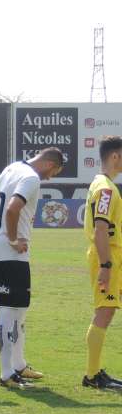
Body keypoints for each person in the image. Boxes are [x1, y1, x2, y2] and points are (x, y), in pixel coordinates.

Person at [0, 147, 64, 388]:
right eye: (54, 173)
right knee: (9, 311)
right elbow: (12, 208)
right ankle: (6, 374)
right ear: (50, 164)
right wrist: (10, 237)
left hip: (4, 250)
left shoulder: (12, 168)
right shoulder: (30, 177)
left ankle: (18, 366)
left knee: (19, 311)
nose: (50, 178)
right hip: (9, 252)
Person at [82, 136, 122, 390]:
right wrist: (106, 266)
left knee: (107, 310)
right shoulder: (105, 188)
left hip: (112, 255)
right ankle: (92, 375)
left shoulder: (103, 184)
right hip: (107, 256)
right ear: (115, 156)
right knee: (104, 312)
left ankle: (94, 373)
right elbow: (100, 229)